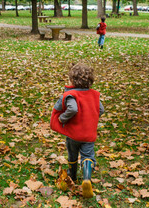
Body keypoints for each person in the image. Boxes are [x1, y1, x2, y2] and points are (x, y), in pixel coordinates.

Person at [50, 63, 105, 198]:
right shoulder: (94, 95)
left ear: (73, 80)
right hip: (88, 135)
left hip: (74, 134)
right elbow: (101, 110)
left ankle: (72, 176)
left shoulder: (71, 94)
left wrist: (63, 118)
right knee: (88, 156)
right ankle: (86, 178)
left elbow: (73, 109)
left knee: (72, 155)